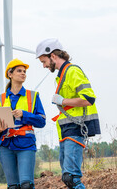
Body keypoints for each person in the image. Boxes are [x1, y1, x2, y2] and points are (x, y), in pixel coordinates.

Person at [36, 38, 100, 189]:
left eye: (44, 61)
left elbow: (89, 98)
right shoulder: (62, 75)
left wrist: (63, 101)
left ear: (52, 56)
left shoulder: (72, 71)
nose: (44, 66)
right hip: (67, 129)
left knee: (71, 177)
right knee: (67, 177)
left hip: (76, 127)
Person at [0, 58, 46, 189]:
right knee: (13, 187)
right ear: (10, 74)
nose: (23, 74)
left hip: (26, 144)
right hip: (6, 146)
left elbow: (41, 121)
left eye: (24, 71)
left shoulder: (33, 96)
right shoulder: (0, 98)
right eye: (19, 71)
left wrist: (24, 114)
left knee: (26, 185)